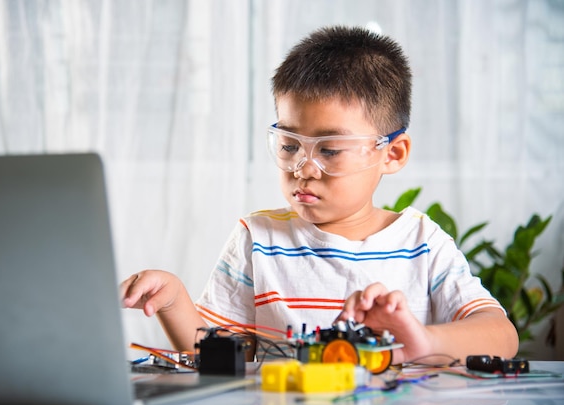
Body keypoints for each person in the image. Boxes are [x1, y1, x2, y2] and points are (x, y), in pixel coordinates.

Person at [121, 25, 519, 365]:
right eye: (290, 144)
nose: (303, 167)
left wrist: (424, 341)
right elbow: (224, 360)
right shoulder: (257, 239)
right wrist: (174, 303)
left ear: (392, 154)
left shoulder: (422, 244)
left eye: (329, 149)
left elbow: (501, 336)